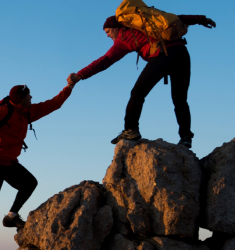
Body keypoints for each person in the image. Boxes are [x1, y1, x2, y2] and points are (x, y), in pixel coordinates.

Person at [68, 11, 216, 149]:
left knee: (138, 92)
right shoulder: (145, 25)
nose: (107, 36)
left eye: (107, 32)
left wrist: (80, 75)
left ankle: (131, 129)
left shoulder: (124, 37)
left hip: (163, 55)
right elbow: (179, 19)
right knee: (180, 99)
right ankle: (186, 138)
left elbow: (105, 60)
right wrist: (202, 20)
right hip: (182, 53)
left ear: (115, 28)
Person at [0, 82, 74, 250]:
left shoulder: (27, 113)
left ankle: (11, 217)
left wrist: (69, 87)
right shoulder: (3, 111)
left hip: (9, 162)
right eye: (29, 95)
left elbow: (53, 104)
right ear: (20, 99)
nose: (32, 97)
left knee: (29, 183)